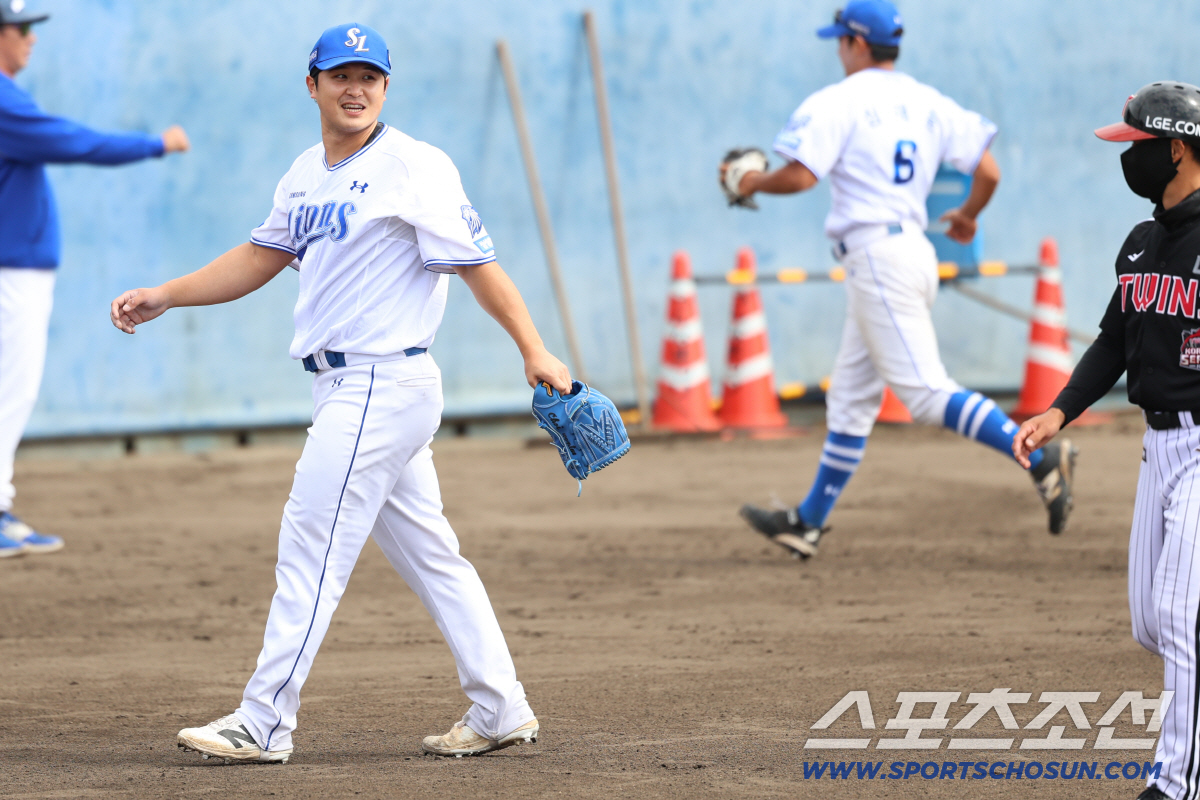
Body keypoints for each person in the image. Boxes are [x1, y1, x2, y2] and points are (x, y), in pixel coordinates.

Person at [111, 22, 569, 764]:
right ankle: (501, 706)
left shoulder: (413, 166)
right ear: (313, 84)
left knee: (310, 548)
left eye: (370, 77)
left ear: (387, 87)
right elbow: (262, 256)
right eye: (340, 75)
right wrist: (169, 294)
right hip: (346, 389)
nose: (355, 89)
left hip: (381, 384)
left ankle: (264, 721)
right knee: (433, 555)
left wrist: (533, 348)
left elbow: (479, 265)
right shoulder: (304, 172)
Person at [722, 0, 1075, 560]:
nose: (838, 49)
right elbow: (989, 170)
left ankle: (1031, 449)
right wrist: (968, 216)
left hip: (878, 259)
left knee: (926, 394)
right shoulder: (927, 100)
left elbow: (801, 175)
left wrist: (751, 184)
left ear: (858, 44)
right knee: (853, 399)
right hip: (907, 251)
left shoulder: (839, 100)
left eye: (841, 39)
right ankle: (808, 523)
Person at [1015, 81, 1200, 800]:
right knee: (1154, 624)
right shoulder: (1142, 242)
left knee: (1183, 620)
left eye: (1136, 146)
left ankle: (1175, 781)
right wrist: (1059, 411)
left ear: (1176, 149)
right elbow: (1113, 340)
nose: (1126, 158)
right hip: (1159, 453)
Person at [0, 0, 189, 558]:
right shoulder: (3, 99)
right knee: (11, 389)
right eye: (21, 27)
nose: (32, 37)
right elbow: (77, 142)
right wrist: (156, 143)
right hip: (10, 274)